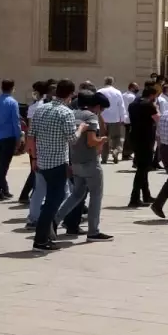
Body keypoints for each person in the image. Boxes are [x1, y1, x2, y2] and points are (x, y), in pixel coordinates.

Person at [26, 79, 80, 252]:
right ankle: (40, 240)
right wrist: (82, 129)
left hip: (42, 162)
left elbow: (31, 137)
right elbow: (72, 139)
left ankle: (45, 236)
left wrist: (34, 159)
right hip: (57, 163)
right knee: (52, 203)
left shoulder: (40, 109)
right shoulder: (66, 113)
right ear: (70, 94)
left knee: (49, 198)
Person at [55, 92, 113, 241]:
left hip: (75, 160)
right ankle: (93, 231)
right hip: (90, 161)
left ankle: (54, 220)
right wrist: (102, 140)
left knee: (76, 194)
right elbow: (91, 141)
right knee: (96, 196)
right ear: (98, 106)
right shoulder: (91, 116)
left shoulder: (72, 114)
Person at [0, 79, 23, 200]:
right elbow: (15, 122)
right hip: (8, 136)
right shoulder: (12, 102)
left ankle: (4, 189)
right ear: (12, 88)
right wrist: (19, 137)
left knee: (2, 163)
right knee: (4, 165)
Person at [126, 86, 160, 207]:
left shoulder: (133, 104)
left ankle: (146, 195)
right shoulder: (149, 105)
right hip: (145, 138)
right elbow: (158, 119)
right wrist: (156, 107)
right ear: (152, 95)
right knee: (142, 169)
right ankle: (134, 198)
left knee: (143, 167)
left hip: (134, 137)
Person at [96, 76, 127, 164]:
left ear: (105, 82)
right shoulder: (117, 92)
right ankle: (116, 151)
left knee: (103, 138)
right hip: (115, 119)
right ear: (112, 82)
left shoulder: (100, 91)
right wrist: (123, 118)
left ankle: (104, 158)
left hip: (102, 119)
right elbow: (121, 106)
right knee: (116, 138)